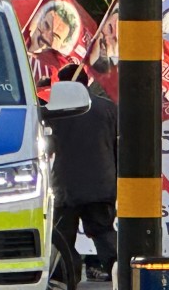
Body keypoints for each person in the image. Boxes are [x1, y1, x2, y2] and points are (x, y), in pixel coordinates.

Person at [47, 64, 117, 284]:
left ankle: (66, 278)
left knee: (63, 240)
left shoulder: (53, 112)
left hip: (66, 187)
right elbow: (118, 145)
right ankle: (121, 274)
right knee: (103, 232)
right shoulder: (107, 108)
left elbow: (48, 148)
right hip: (101, 183)